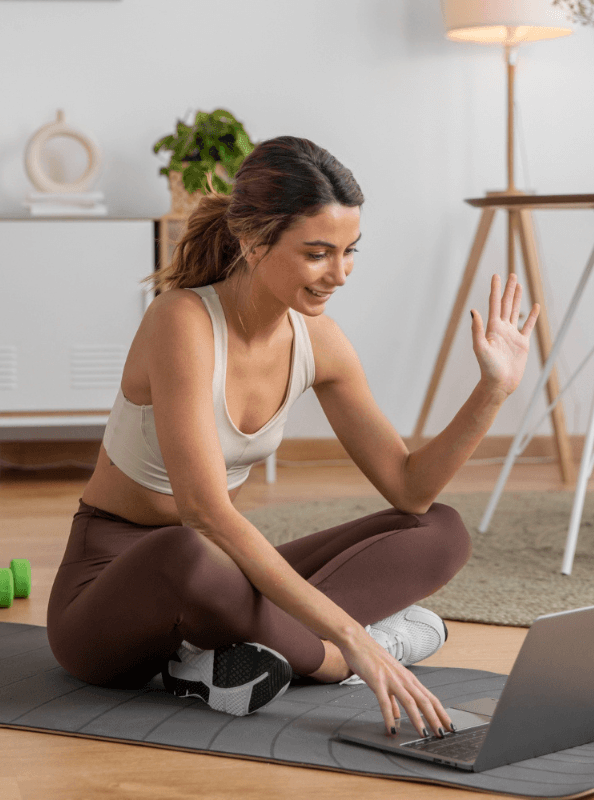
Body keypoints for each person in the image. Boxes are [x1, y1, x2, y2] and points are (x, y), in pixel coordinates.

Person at [47, 135, 539, 739]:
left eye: (349, 250)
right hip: (109, 594)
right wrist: (350, 640)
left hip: (221, 579)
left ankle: (226, 659)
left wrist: (493, 388)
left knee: (438, 530)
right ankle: (339, 660)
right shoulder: (182, 321)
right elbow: (203, 511)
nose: (339, 273)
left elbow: (409, 489)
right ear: (255, 244)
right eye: (317, 253)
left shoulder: (319, 341)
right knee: (185, 550)